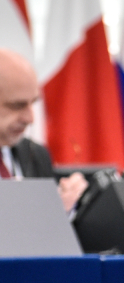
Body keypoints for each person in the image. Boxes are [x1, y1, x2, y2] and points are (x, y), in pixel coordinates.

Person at [0, 48, 86, 211]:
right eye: (17, 105)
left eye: (33, 103)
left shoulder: (37, 155)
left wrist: (61, 210)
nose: (30, 119)